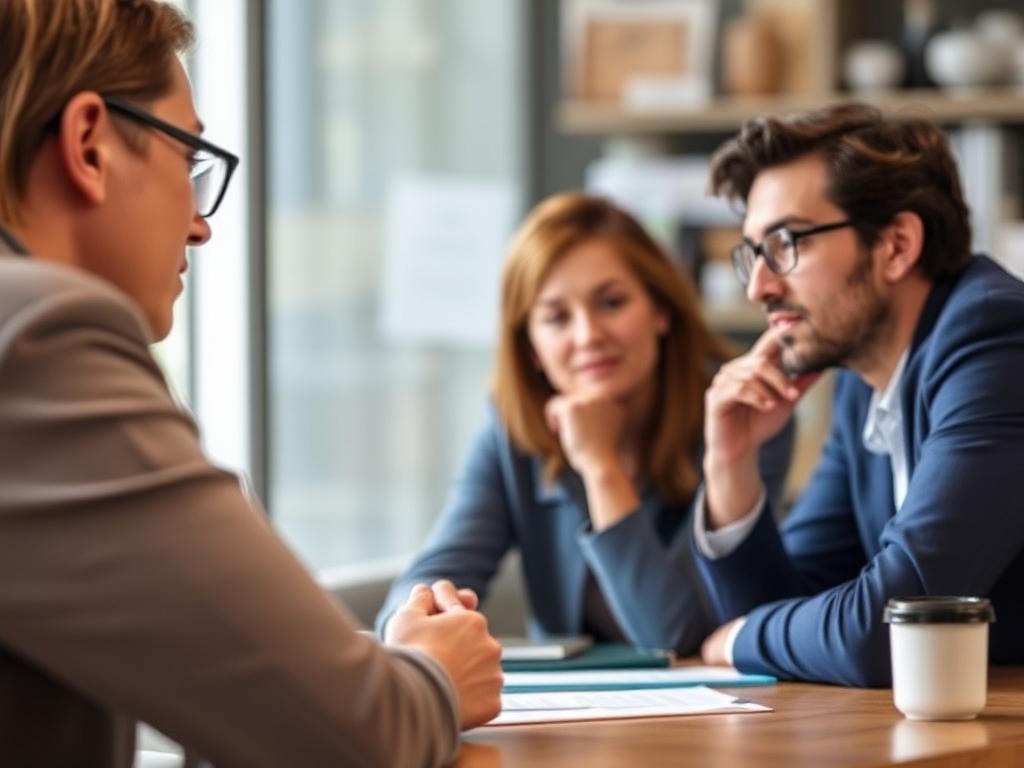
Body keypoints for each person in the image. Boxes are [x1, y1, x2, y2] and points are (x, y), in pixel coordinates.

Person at [0, 2, 502, 766]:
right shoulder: (39, 339)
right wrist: (432, 674)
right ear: (89, 144)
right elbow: (356, 738)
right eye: (187, 160)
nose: (201, 225)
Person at [694, 103, 1024, 686]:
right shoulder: (862, 383)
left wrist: (741, 639)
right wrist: (730, 462)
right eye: (754, 253)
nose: (758, 287)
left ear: (896, 245)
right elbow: (785, 605)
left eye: (786, 242)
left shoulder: (995, 341)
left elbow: (895, 629)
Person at [377, 193, 794, 654]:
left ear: (660, 311)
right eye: (556, 318)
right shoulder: (514, 430)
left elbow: (677, 637)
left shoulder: (740, 415)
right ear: (532, 348)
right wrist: (415, 619)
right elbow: (433, 576)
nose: (588, 335)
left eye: (611, 303)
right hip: (565, 698)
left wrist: (600, 466)